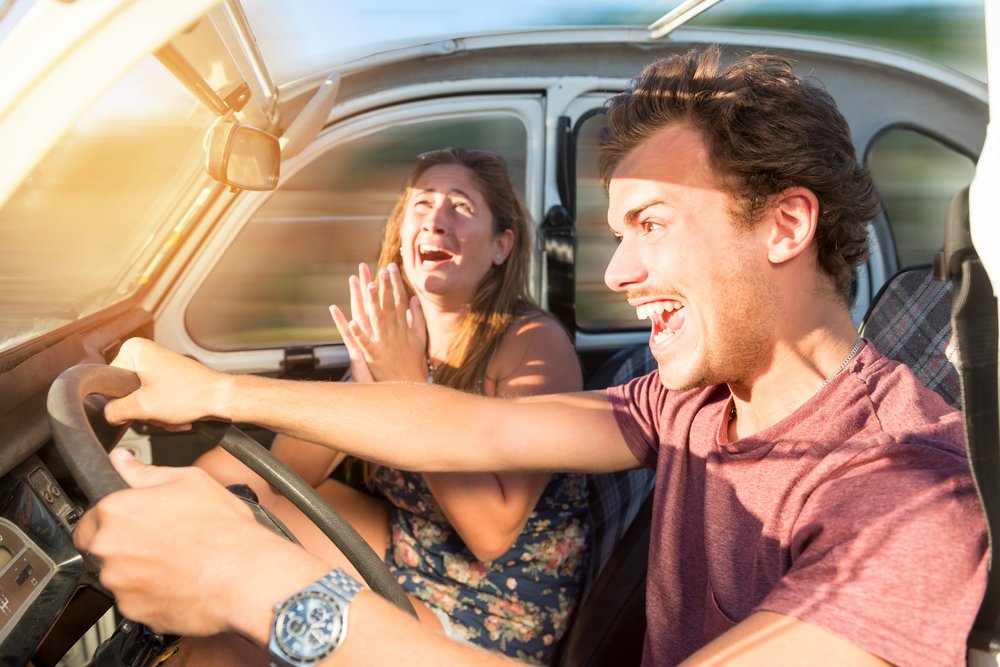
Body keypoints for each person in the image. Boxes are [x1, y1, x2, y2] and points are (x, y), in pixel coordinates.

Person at [76, 46, 987, 667]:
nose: (621, 271)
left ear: (786, 224)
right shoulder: (697, 403)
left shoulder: (911, 497)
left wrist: (255, 585)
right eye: (619, 233)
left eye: (653, 226)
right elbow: (473, 428)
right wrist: (213, 387)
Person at [194, 147, 588, 664]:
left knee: (232, 631)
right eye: (421, 205)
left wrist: (408, 385)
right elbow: (286, 472)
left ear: (501, 246)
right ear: (401, 236)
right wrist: (362, 390)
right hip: (411, 548)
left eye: (461, 208)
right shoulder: (398, 331)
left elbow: (493, 533)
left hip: (493, 604)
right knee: (228, 486)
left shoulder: (535, 345)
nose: (437, 220)